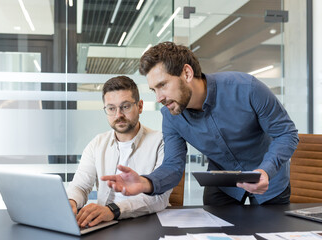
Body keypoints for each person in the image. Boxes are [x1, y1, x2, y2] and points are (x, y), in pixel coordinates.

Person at [101, 42, 299, 206]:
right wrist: (146, 182)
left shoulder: (247, 88)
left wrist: (266, 169)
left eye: (163, 85)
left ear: (187, 73)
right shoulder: (171, 115)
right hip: (223, 185)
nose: (159, 97)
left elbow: (286, 133)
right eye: (154, 90)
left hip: (270, 179)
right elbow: (173, 165)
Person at [67, 76, 171, 228]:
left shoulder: (161, 142)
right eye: (111, 108)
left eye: (126, 106)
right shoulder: (97, 143)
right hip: (103, 224)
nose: (118, 115)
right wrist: (71, 202)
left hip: (147, 224)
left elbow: (159, 198)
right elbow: (80, 186)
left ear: (140, 106)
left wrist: (112, 210)